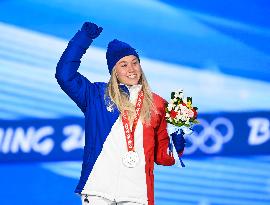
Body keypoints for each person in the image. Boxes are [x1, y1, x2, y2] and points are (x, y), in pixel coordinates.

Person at [55, 22, 185, 205]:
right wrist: (82, 39)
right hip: (97, 190)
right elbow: (64, 75)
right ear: (114, 71)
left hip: (137, 195)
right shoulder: (96, 95)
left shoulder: (157, 104)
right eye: (123, 65)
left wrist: (176, 144)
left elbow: (163, 158)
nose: (131, 69)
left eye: (135, 63)